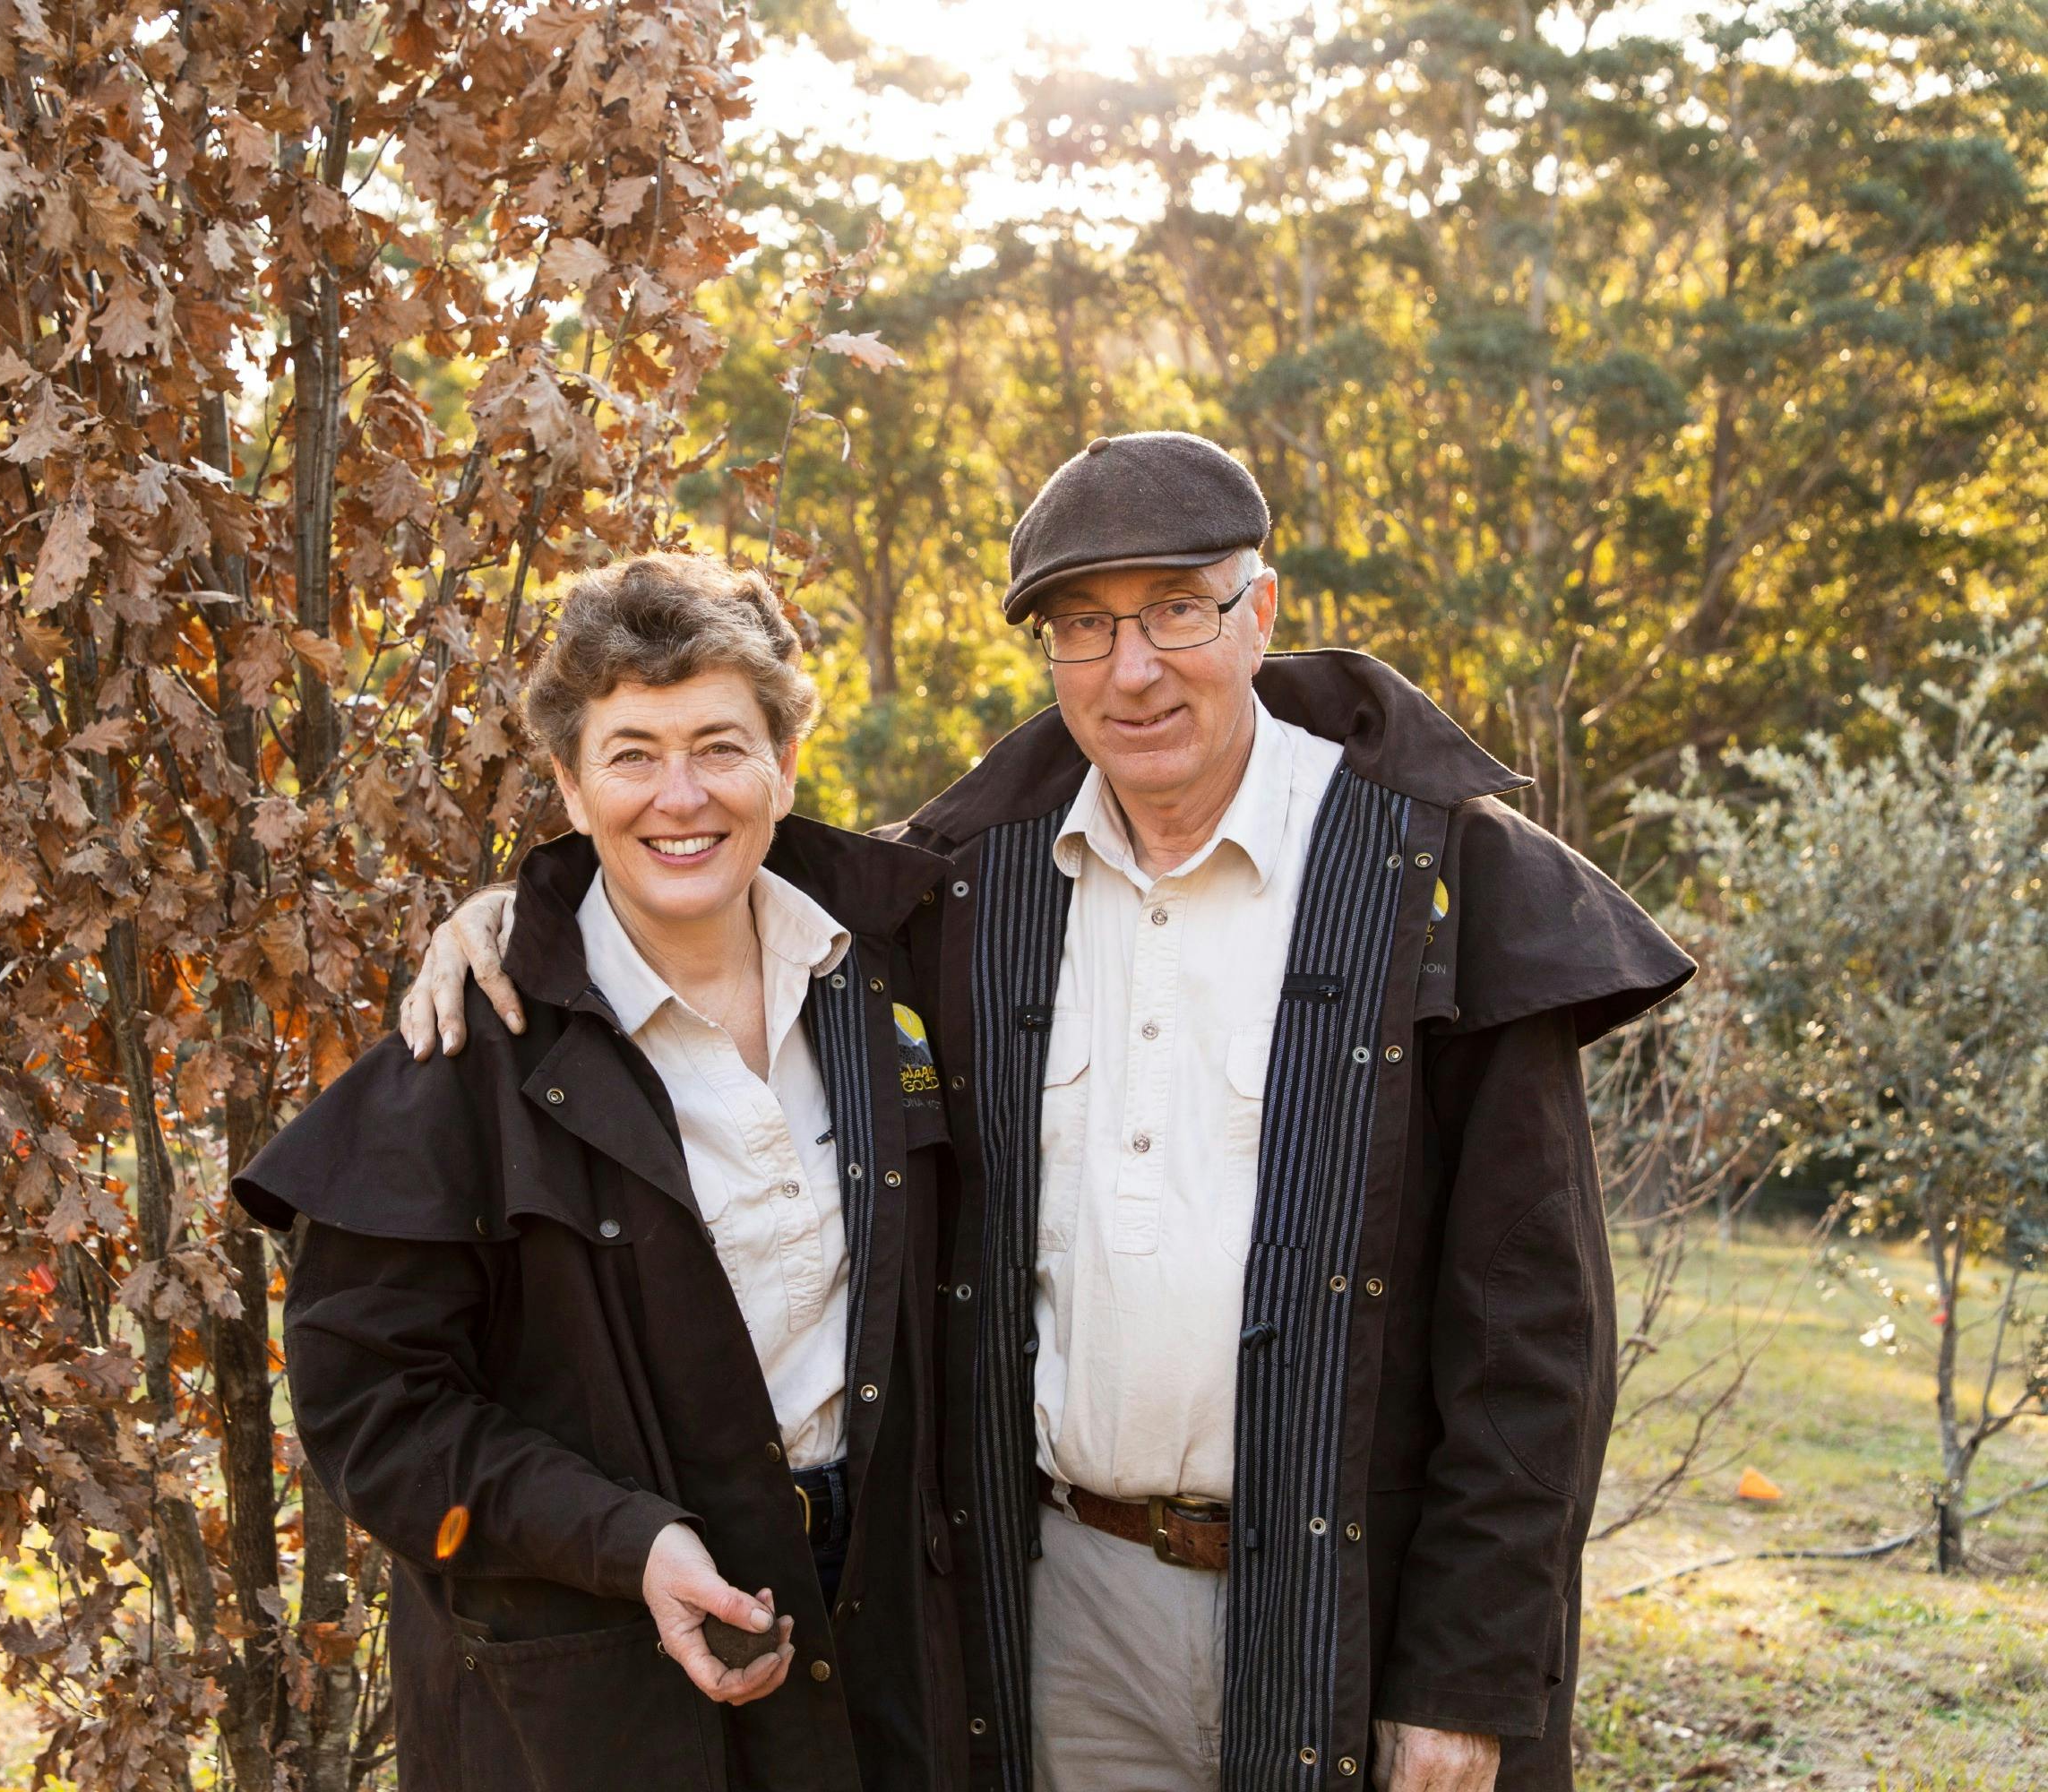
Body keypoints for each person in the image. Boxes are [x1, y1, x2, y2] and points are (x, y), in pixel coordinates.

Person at [400, 434, 1695, 1792]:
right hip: (1061, 1614)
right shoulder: (969, 889)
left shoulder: (1435, 878)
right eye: (1084, 627)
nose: (1132, 669)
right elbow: (697, 860)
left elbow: (1530, 1332)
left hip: (1346, 1606)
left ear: (1259, 611)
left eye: (1177, 611)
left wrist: (1468, 1677)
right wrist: (520, 920)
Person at [235, 554, 968, 1792]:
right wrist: (627, 1543)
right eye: (632, 754)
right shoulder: (471, 1046)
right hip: (591, 1668)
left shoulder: (883, 971)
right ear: (570, 788)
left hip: (885, 1613)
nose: (680, 795)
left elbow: (1109, 743)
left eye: (720, 746)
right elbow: (375, 1409)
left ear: (786, 766)